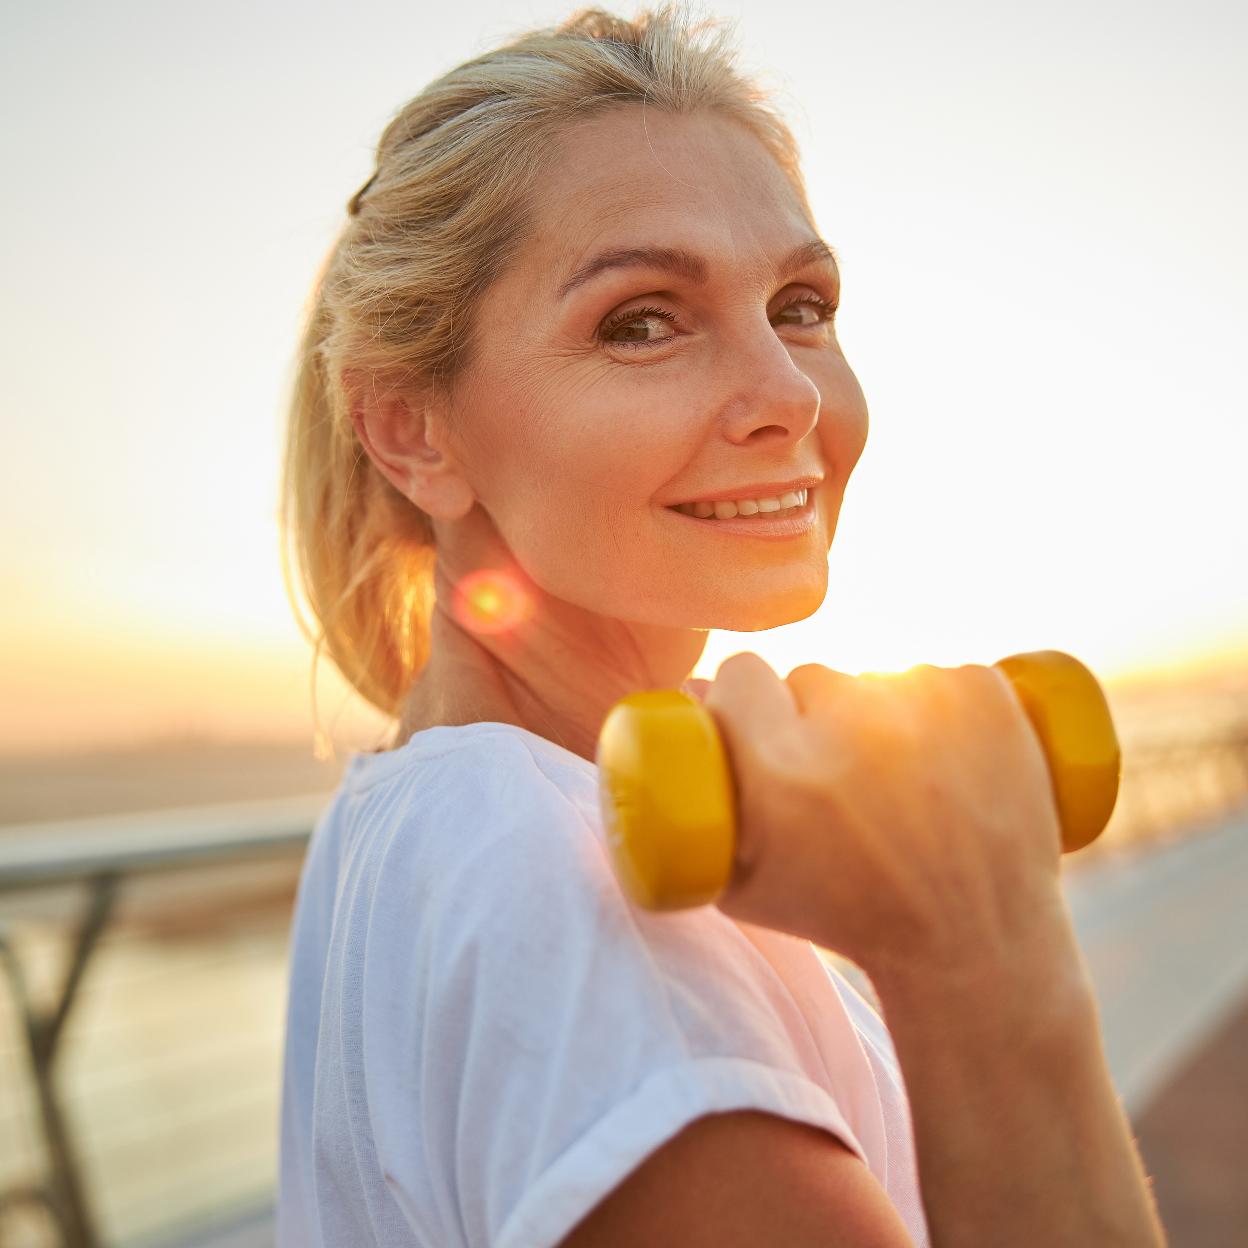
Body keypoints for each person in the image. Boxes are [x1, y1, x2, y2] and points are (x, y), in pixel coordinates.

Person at [275, 5, 1167, 1245]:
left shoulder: (415, 816)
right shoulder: (566, 900)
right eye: (643, 320)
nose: (790, 394)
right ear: (414, 431)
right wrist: (980, 953)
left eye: (801, 303)